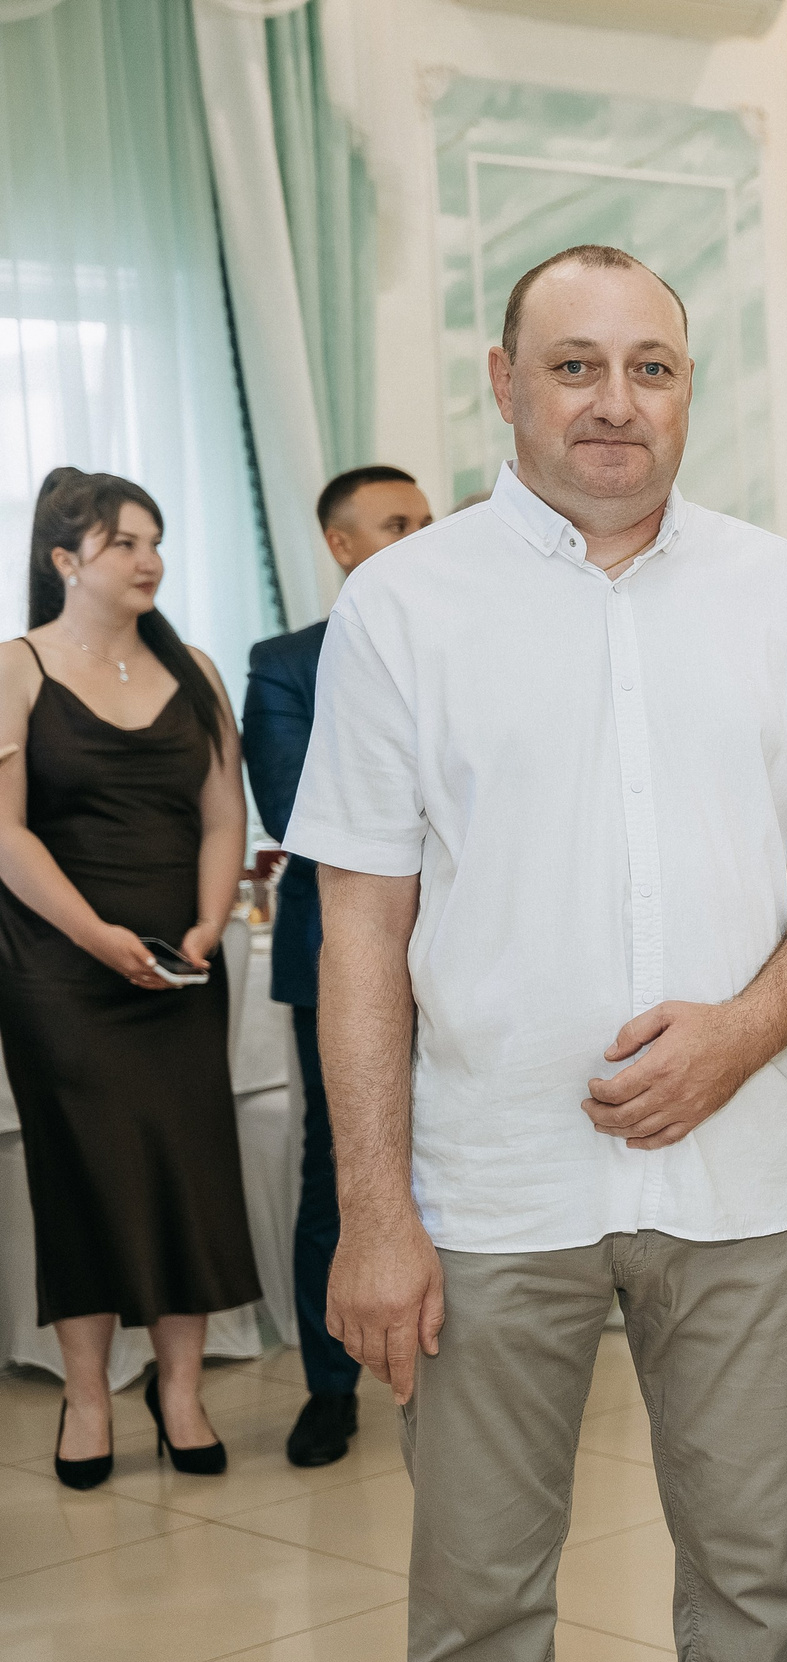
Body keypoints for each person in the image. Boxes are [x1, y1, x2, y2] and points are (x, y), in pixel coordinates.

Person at [285, 244, 787, 1662]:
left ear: (689, 392)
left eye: (650, 367)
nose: (614, 401)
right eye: (575, 365)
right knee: (479, 1601)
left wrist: (739, 1033)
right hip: (495, 1189)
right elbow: (359, 930)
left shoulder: (778, 594)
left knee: (760, 1585)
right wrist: (376, 1214)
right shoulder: (404, 606)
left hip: (743, 1186)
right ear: (505, 383)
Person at [0, 468, 259, 1488]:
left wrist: (206, 923)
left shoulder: (193, 667)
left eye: (154, 540)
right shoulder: (15, 669)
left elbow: (223, 813)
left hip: (183, 961)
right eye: (124, 543)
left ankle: (180, 1389)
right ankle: (87, 1395)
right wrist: (98, 936)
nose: (150, 559)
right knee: (83, 1172)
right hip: (58, 967)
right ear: (66, 560)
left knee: (189, 1164)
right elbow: (4, 835)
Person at [242, 463, 434, 1470]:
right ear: (344, 546)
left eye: (427, 519)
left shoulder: (475, 642)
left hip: (467, 954)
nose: (420, 533)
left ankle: (461, 1358)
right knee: (339, 1175)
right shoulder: (285, 664)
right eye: (396, 522)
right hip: (342, 958)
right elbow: (292, 811)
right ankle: (329, 1386)